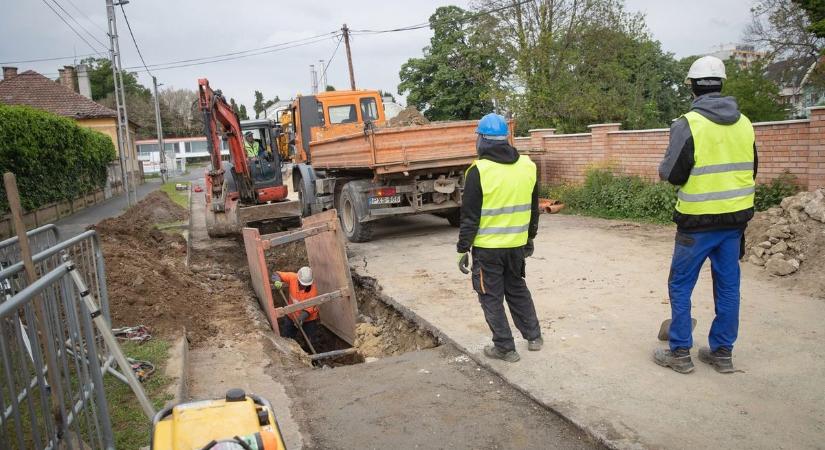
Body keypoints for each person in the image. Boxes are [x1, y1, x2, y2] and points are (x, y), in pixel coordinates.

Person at [655, 55, 758, 374]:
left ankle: (680, 354)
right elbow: (751, 168)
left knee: (681, 285)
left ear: (692, 88)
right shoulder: (745, 123)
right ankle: (722, 353)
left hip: (696, 223)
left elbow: (672, 173)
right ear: (721, 84)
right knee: (728, 286)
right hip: (735, 223)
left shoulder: (688, 124)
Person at [456, 113, 542, 363]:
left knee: (490, 296)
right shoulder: (527, 165)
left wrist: (462, 249)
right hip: (516, 246)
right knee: (516, 289)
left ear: (482, 139)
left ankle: (505, 347)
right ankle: (534, 336)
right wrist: (529, 238)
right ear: (506, 138)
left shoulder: (478, 171)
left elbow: (469, 217)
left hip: (488, 249)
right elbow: (533, 208)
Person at [271, 266, 320, 343]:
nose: (304, 286)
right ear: (298, 279)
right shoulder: (293, 277)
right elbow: (276, 274)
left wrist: (300, 319)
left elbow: (308, 309)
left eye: (306, 285)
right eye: (302, 284)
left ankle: (309, 350)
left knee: (311, 340)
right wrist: (277, 281)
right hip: (291, 315)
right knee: (286, 338)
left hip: (308, 319)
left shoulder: (313, 290)